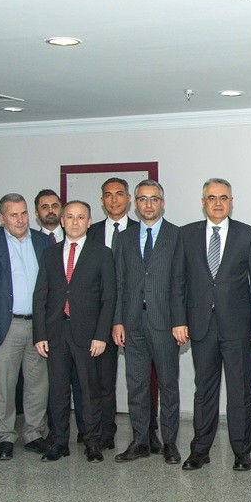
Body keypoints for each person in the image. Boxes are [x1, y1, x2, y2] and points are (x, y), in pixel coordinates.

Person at [172, 178, 251, 472]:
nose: (218, 203)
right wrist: (179, 320)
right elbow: (178, 281)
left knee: (239, 390)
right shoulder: (186, 234)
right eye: (212, 198)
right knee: (204, 390)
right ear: (203, 202)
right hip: (200, 325)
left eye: (224, 197)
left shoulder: (247, 235)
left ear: (231, 202)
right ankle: (200, 450)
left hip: (237, 327)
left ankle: (241, 451)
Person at [0, 193, 53, 460]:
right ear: (1, 218)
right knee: (4, 385)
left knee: (38, 384)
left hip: (39, 326)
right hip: (6, 325)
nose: (20, 220)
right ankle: (5, 436)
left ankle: (34, 434)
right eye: (13, 215)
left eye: (23, 213)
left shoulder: (43, 241)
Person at [33, 201, 114, 462]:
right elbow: (40, 296)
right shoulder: (50, 254)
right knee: (58, 392)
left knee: (89, 391)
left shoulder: (102, 253)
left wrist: (101, 335)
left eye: (81, 217)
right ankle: (59, 442)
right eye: (70, 217)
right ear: (62, 221)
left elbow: (109, 298)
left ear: (89, 222)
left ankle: (92, 442)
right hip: (56, 333)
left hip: (88, 335)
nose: (75, 222)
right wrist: (40, 334)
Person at [113, 179, 183, 463]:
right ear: (135, 203)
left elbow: (182, 282)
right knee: (137, 385)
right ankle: (140, 441)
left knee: (168, 385)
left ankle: (170, 443)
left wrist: (181, 321)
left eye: (154, 199)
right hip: (132, 323)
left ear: (162, 203)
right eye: (142, 199)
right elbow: (119, 282)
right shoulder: (124, 238)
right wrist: (117, 321)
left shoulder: (178, 235)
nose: (148, 204)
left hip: (165, 323)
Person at [91, 177, 139, 451]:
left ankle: (145, 433)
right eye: (108, 195)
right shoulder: (91, 232)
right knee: (102, 379)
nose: (114, 200)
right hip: (99, 318)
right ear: (102, 200)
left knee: (140, 380)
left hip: (134, 317)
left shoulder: (141, 230)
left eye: (119, 194)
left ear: (128, 198)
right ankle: (105, 431)